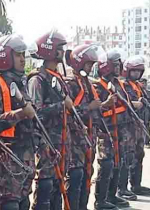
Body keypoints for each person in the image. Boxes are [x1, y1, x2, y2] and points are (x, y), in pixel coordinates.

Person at [0, 34, 37, 210]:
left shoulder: (21, 83)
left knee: (23, 200)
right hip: (8, 154)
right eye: (18, 55)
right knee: (10, 202)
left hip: (26, 152)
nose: (22, 59)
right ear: (5, 57)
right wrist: (20, 114)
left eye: (23, 54)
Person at [27, 29, 70, 210]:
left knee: (57, 186)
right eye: (59, 48)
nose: (62, 52)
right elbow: (36, 113)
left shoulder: (57, 77)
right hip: (45, 142)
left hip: (60, 141)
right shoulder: (38, 79)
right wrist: (61, 105)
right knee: (45, 184)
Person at [65, 44, 104, 210]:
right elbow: (67, 112)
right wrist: (89, 107)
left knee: (88, 173)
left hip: (89, 138)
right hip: (74, 139)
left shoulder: (88, 83)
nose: (90, 68)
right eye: (88, 64)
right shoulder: (70, 83)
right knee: (75, 176)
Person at [93, 49, 131, 210]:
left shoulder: (119, 84)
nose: (118, 68)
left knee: (118, 162)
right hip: (105, 131)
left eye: (118, 65)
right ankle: (100, 200)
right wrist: (106, 104)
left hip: (120, 131)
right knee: (106, 164)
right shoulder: (97, 86)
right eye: (114, 65)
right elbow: (94, 111)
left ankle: (112, 196)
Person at [118, 56, 150, 198]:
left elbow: (147, 103)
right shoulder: (124, 85)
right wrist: (135, 103)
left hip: (140, 126)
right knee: (127, 156)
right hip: (128, 127)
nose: (136, 74)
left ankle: (136, 185)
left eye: (139, 72)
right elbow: (125, 103)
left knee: (139, 154)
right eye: (134, 72)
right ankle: (122, 188)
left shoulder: (139, 86)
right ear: (128, 71)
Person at [140, 78, 150, 148]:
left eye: (145, 83)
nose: (144, 84)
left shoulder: (149, 93)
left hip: (147, 112)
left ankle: (147, 142)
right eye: (142, 83)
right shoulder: (137, 91)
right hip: (139, 113)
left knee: (147, 127)